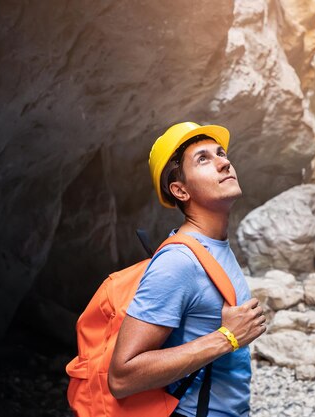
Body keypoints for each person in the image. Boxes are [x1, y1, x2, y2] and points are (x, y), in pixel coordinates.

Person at [108, 121, 266, 417]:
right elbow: (122, 376)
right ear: (180, 190)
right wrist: (227, 337)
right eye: (203, 159)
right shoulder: (179, 261)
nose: (224, 162)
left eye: (221, 153)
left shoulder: (216, 246)